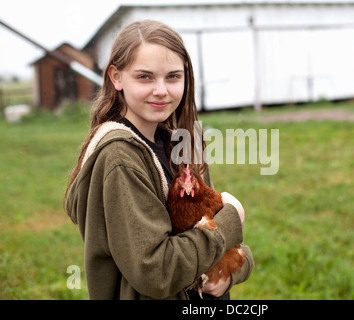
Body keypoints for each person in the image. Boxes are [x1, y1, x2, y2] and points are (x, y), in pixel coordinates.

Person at [64, 20, 253, 300]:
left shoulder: (177, 145)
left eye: (173, 76)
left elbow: (217, 244)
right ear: (116, 77)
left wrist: (234, 270)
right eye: (145, 77)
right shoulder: (121, 158)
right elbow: (157, 272)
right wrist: (232, 219)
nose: (161, 90)